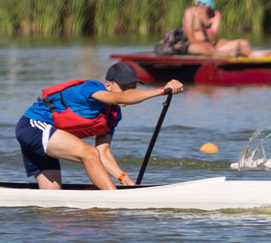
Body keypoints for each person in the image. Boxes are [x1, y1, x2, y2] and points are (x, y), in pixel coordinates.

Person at [15, 61, 184, 189]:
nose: (130, 92)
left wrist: (124, 179)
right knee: (89, 152)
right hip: (33, 126)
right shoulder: (91, 87)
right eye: (124, 87)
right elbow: (122, 98)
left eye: (133, 88)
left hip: (50, 136)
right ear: (108, 85)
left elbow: (103, 153)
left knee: (52, 197)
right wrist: (162, 91)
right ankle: (113, 199)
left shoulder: (113, 115)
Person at [183, 0, 271, 59]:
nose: (200, 6)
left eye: (204, 4)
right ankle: (229, 54)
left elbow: (213, 40)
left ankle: (252, 54)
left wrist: (207, 24)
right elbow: (191, 39)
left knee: (243, 43)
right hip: (194, 45)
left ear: (209, 6)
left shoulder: (215, 15)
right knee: (209, 49)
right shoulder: (189, 13)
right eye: (198, 3)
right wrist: (210, 46)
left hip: (212, 44)